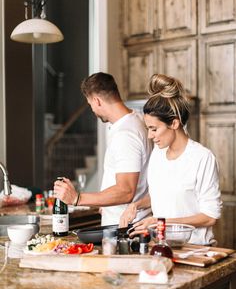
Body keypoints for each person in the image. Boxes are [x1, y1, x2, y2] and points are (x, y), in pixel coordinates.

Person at [121, 73, 222, 245]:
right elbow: (162, 196)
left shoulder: (202, 158)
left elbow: (210, 217)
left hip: (196, 250)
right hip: (162, 246)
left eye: (153, 129)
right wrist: (136, 205)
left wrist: (161, 222)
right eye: (148, 129)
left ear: (174, 124)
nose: (150, 136)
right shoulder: (158, 154)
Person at [53, 72, 152, 226]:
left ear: (97, 101)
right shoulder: (136, 119)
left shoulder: (125, 134)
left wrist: (77, 198)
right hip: (128, 220)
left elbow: (125, 190)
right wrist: (104, 204)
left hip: (124, 226)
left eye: (90, 104)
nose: (92, 109)